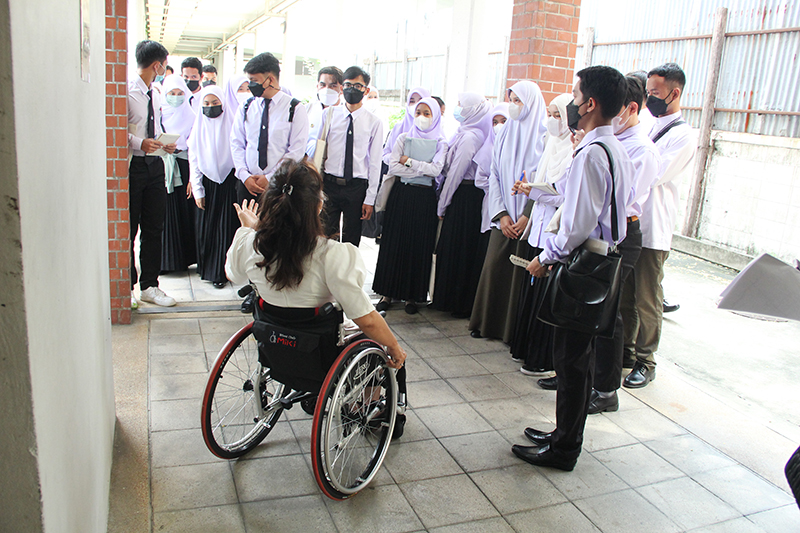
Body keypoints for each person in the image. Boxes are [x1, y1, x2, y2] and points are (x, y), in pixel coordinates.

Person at [225, 159, 408, 434]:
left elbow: (234, 275)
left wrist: (250, 230)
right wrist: (394, 348)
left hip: (275, 346)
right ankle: (368, 409)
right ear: (319, 205)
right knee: (376, 336)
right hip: (318, 352)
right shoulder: (332, 255)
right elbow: (366, 319)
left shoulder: (250, 243)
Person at [512, 65, 634, 471]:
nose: (572, 103)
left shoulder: (590, 154)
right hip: (605, 256)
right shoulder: (615, 148)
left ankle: (564, 448)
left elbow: (578, 223)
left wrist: (546, 257)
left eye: (576, 95)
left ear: (591, 104)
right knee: (576, 360)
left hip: (585, 265)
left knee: (571, 361)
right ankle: (564, 434)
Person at [622, 62, 697, 389]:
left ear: (674, 92)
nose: (650, 97)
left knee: (647, 298)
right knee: (625, 295)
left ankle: (646, 359)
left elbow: (653, 173)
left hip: (654, 227)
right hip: (632, 224)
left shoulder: (683, 135)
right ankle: (624, 350)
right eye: (647, 91)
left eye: (654, 92)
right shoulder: (648, 125)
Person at [589, 75, 661, 413]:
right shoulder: (612, 141)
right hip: (601, 230)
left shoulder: (641, 149)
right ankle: (584, 375)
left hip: (621, 234)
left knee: (608, 312)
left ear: (630, 109)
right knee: (592, 310)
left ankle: (605, 389)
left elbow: (621, 200)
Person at [469, 81, 546, 342]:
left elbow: (545, 180)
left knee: (521, 274)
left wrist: (527, 215)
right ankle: (487, 325)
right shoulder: (504, 132)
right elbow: (495, 175)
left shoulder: (544, 137)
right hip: (504, 216)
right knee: (495, 268)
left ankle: (512, 332)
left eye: (518, 101)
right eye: (511, 100)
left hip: (529, 218)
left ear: (532, 103)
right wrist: (502, 214)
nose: (513, 106)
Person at [510, 93, 573, 378]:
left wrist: (533, 191)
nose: (551, 120)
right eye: (550, 113)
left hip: (557, 232)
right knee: (533, 293)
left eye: (558, 115)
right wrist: (530, 189)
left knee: (548, 296)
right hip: (539, 227)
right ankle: (526, 348)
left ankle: (543, 359)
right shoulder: (551, 144)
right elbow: (543, 184)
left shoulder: (574, 150)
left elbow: (564, 194)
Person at [373, 98, 448, 314]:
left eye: (427, 113)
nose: (422, 117)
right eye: (418, 112)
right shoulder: (404, 137)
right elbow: (394, 166)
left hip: (424, 199)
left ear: (435, 116)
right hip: (401, 195)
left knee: (418, 244)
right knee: (394, 242)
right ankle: (387, 292)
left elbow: (436, 170)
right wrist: (419, 168)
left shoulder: (441, 142)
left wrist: (409, 162)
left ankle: (412, 297)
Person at [430, 93, 493, 317]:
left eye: (461, 105)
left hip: (464, 197)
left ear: (473, 110)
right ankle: (449, 300)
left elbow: (456, 174)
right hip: (463, 195)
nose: (457, 108)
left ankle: (455, 302)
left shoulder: (471, 137)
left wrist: (442, 205)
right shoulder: (465, 132)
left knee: (457, 249)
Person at [127, 40, 177, 307]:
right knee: (129, 228)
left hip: (155, 165)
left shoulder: (155, 92)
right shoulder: (125, 91)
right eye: (164, 65)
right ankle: (126, 287)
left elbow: (154, 125)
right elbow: (114, 129)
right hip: (133, 166)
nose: (164, 69)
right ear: (157, 64)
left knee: (154, 227)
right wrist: (139, 144)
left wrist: (162, 143)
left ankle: (150, 285)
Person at [313, 66, 382, 247]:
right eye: (348, 85)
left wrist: (370, 199)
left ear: (366, 90)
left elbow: (375, 163)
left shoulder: (374, 122)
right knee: (326, 238)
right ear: (342, 88)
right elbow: (318, 152)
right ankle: (325, 274)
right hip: (329, 185)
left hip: (356, 188)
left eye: (358, 86)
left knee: (351, 242)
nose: (352, 89)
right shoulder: (328, 115)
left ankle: (346, 275)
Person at [230, 52, 309, 205]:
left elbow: (296, 151)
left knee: (277, 228)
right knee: (247, 228)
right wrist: (244, 175)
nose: (250, 85)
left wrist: (270, 177)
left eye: (254, 81)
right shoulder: (246, 107)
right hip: (248, 185)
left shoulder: (295, 108)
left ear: (270, 80)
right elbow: (236, 143)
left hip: (280, 186)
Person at [188, 85, 238, 288]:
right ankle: (208, 269)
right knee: (207, 229)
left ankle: (223, 272)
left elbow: (239, 151)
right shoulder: (198, 128)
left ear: (223, 104)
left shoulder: (233, 124)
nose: (211, 108)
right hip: (207, 184)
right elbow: (194, 159)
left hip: (229, 181)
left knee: (227, 228)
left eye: (215, 103)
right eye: (206, 104)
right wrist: (198, 189)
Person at [160, 74, 198, 274]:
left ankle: (184, 259)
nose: (176, 97)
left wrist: (193, 177)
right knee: (164, 215)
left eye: (180, 93)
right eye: (172, 94)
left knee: (184, 214)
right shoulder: (159, 115)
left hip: (184, 166)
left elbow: (194, 148)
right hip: (164, 169)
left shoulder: (191, 116)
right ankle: (165, 262)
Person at [474, 104, 510, 235]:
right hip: (492, 203)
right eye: (494, 122)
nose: (498, 126)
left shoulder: (514, 146)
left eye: (503, 121)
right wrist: (498, 187)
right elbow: (479, 180)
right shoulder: (488, 148)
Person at [382, 87, 431, 166]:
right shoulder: (398, 128)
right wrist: (398, 159)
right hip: (397, 175)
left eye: (420, 101)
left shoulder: (435, 131)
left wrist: (411, 163)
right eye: (412, 101)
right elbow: (385, 154)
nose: (416, 105)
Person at [305, 66, 343, 157]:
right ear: (317, 86)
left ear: (341, 89)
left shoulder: (345, 114)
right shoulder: (307, 110)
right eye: (323, 85)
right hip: (308, 165)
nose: (326, 89)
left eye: (332, 86)